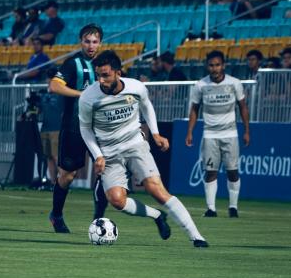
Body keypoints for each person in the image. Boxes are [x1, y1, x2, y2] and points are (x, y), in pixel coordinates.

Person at [79, 50, 209, 248]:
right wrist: (97, 155)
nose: (101, 80)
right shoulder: (88, 97)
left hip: (135, 144)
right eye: (98, 75)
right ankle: (157, 216)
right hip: (108, 152)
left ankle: (197, 237)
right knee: (116, 201)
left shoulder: (136, 87)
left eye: (105, 75)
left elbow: (147, 106)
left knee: (156, 189)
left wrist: (155, 134)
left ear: (118, 73)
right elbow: (85, 128)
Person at [47, 23, 107, 233]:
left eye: (95, 41)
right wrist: (83, 95)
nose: (91, 45)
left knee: (104, 171)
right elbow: (54, 86)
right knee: (67, 176)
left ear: (100, 42)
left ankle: (98, 221)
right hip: (74, 127)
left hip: (100, 128)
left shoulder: (106, 65)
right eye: (87, 41)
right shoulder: (72, 64)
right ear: (81, 42)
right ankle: (56, 214)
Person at [186, 50, 250, 218]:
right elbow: (194, 109)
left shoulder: (234, 83)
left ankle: (233, 207)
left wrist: (247, 131)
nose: (214, 68)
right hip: (210, 135)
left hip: (230, 134)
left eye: (217, 65)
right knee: (210, 171)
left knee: (233, 170)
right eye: (211, 65)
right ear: (207, 66)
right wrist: (190, 132)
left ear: (223, 65)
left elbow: (243, 107)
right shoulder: (201, 85)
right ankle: (211, 208)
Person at [39, 78, 63, 185]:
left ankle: (63, 182)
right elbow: (39, 110)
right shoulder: (43, 96)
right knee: (48, 156)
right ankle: (54, 183)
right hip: (45, 128)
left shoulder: (61, 95)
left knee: (56, 156)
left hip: (56, 128)